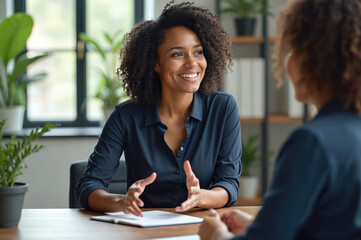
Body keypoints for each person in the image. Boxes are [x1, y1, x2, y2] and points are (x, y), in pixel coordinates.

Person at [199, 0, 361, 239]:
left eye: (293, 51)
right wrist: (258, 227)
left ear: (315, 58)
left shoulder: (313, 142)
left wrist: (215, 234)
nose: (286, 65)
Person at [77, 2, 241, 217]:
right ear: (155, 63)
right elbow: (89, 185)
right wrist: (122, 201)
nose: (192, 63)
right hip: (143, 230)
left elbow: (228, 183)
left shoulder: (223, 108)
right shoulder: (126, 117)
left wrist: (202, 197)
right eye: (177, 54)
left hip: (202, 228)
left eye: (198, 52)